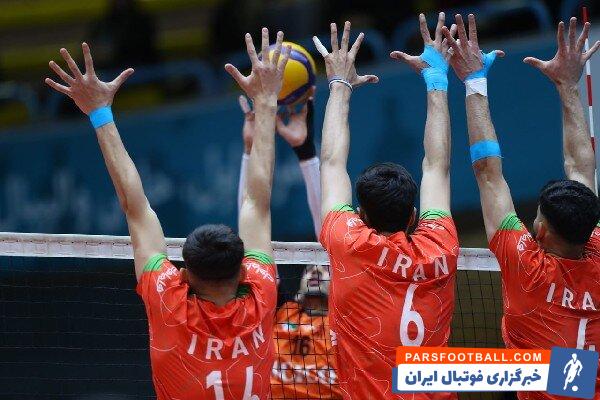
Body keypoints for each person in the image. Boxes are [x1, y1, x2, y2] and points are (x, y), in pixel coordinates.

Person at [45, 29, 290, 399]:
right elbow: (257, 202)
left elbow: (136, 207)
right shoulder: (262, 292)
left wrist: (99, 113)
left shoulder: (167, 300)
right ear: (243, 272)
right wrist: (268, 101)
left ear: (185, 276)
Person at [441, 13, 600, 400]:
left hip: (556, 383)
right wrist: (568, 86)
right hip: (581, 382)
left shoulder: (527, 265)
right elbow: (580, 168)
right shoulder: (593, 243)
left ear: (540, 231)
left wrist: (474, 81)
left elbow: (488, 173)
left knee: (418, 372)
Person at [315, 16, 459, 399]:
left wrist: (340, 85)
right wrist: (436, 79)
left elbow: (331, 162)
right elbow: (437, 165)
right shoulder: (441, 245)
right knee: (557, 374)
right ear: (414, 217)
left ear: (361, 216)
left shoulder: (348, 242)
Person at [237, 94, 342, 398]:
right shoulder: (277, 314)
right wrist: (250, 150)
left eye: (325, 267)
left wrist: (307, 153)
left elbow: (330, 234)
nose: (317, 270)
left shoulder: (348, 323)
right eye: (312, 267)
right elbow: (250, 233)